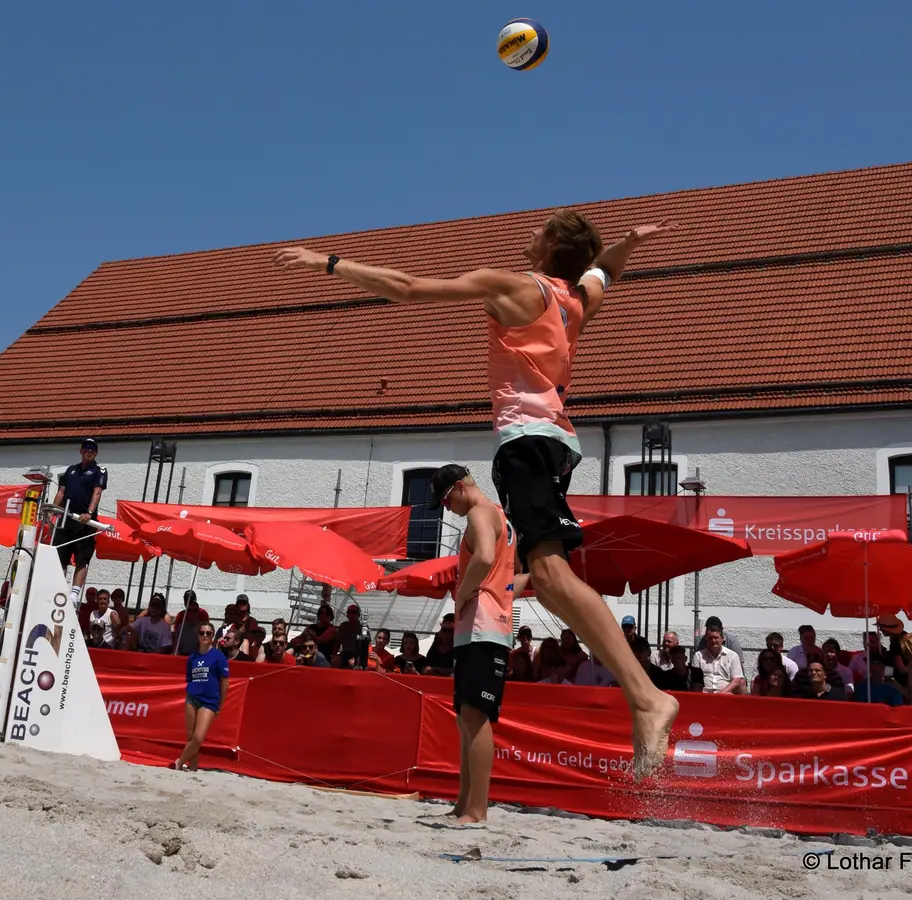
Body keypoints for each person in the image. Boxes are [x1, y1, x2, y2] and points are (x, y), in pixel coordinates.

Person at [277, 211, 680, 778]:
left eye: (541, 228)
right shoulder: (575, 299)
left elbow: (411, 289)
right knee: (546, 577)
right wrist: (629, 241)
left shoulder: (516, 285)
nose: (531, 232)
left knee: (556, 578)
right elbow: (604, 272)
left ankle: (646, 697)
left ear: (552, 246)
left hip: (526, 444)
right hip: (556, 444)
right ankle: (642, 698)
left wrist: (330, 263)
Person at [431, 465, 516, 825]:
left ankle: (477, 809)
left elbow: (482, 558)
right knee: (467, 719)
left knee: (475, 719)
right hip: (483, 625)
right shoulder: (500, 516)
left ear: (459, 487)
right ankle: (464, 803)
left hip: (483, 624)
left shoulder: (481, 512)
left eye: (446, 500)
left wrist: (463, 592)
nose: (447, 508)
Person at [49, 438, 108, 592]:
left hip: (84, 521)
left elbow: (97, 492)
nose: (89, 451)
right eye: (87, 448)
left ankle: (74, 594)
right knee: (61, 555)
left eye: (93, 449)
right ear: (81, 451)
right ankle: (59, 588)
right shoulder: (71, 470)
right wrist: (53, 510)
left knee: (82, 559)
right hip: (67, 517)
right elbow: (61, 492)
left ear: (96, 453)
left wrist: (89, 512)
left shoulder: (99, 470)